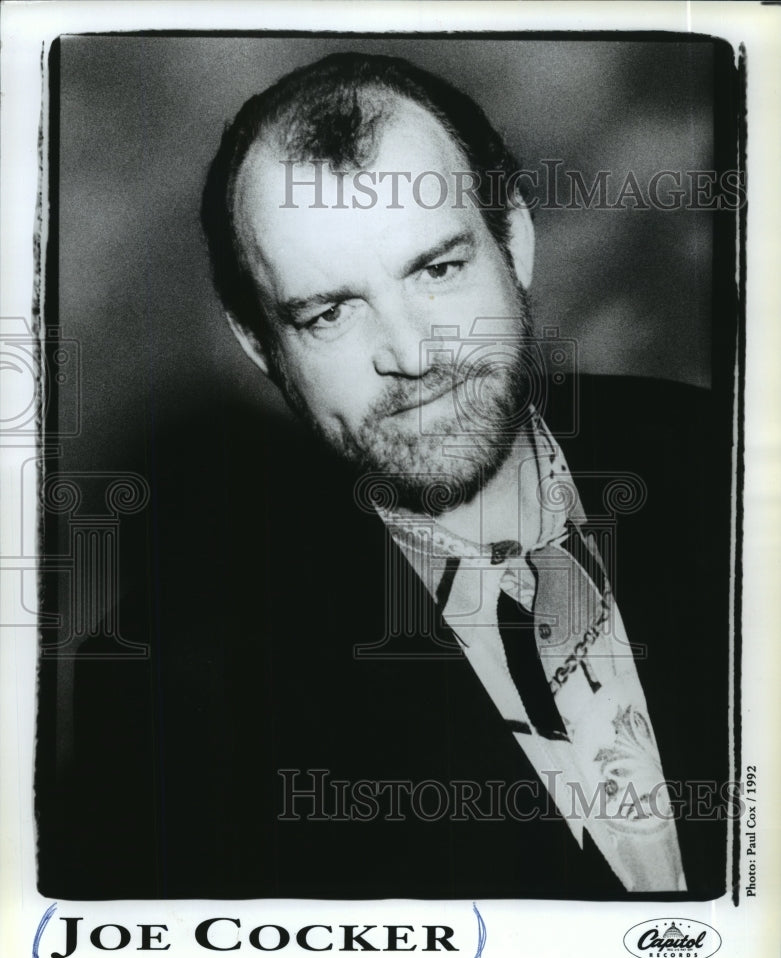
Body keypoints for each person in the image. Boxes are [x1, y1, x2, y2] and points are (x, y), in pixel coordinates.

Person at [40, 52, 730, 901]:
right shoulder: (178, 680)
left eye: (437, 271)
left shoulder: (725, 463)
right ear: (261, 347)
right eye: (329, 313)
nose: (409, 355)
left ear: (512, 240)